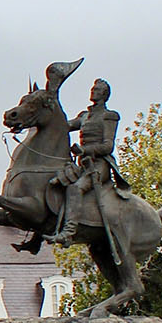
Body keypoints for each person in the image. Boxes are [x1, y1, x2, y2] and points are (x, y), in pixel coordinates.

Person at [46, 77, 129, 245]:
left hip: (100, 164)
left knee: (75, 188)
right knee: (58, 181)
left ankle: (68, 232)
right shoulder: (84, 116)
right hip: (83, 163)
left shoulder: (109, 116)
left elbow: (108, 146)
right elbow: (63, 126)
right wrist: (51, 102)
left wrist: (84, 150)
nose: (93, 91)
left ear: (104, 95)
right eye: (93, 89)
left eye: (97, 90)